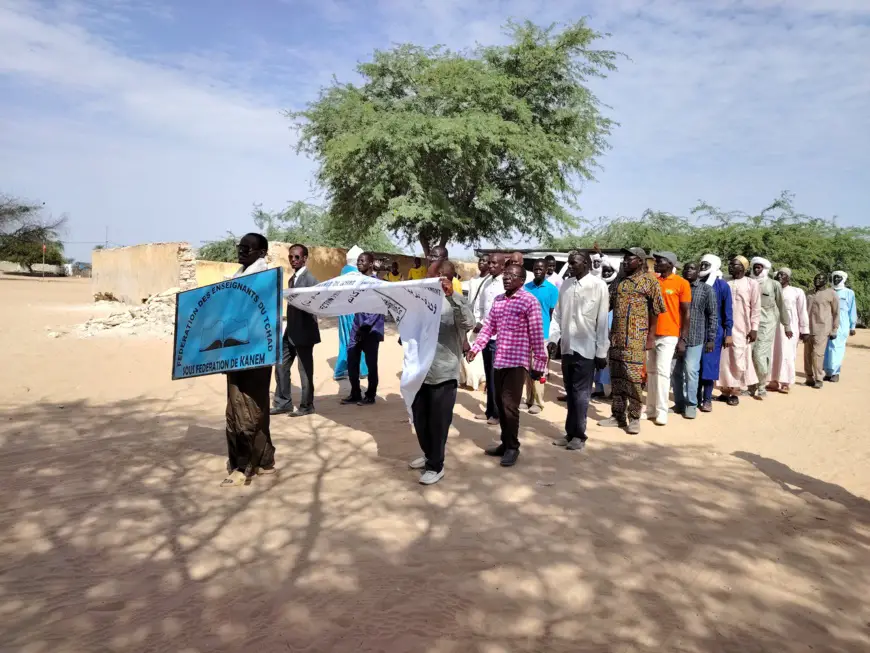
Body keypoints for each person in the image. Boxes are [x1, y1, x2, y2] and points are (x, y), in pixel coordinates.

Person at [468, 263, 547, 466]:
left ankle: (513, 447)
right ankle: (505, 442)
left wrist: (539, 363)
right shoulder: (499, 301)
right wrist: (475, 348)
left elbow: (537, 336)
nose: (506, 278)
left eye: (512, 276)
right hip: (499, 360)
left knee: (510, 406)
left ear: (522, 280)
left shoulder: (530, 302)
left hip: (517, 362)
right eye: (505, 275)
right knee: (500, 405)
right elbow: (488, 328)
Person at [409, 261, 475, 485]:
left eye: (430, 276)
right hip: (420, 372)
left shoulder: (456, 301)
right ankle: (429, 455)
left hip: (443, 372)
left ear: (443, 278)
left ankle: (436, 466)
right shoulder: (421, 302)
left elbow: (469, 322)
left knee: (438, 422)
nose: (425, 279)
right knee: (420, 419)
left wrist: (452, 297)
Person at [222, 233, 276, 487]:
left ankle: (243, 467)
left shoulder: (261, 279)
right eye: (240, 247)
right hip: (237, 351)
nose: (242, 251)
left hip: (252, 352)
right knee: (252, 407)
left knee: (244, 408)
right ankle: (265, 460)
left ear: (262, 253)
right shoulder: (240, 275)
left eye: (248, 248)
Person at [598, 248, 665, 434]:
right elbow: (606, 305)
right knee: (617, 377)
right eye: (625, 259)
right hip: (617, 337)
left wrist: (651, 336)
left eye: (630, 259)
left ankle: (634, 417)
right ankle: (617, 415)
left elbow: (656, 310)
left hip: (636, 338)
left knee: (634, 379)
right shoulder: (619, 281)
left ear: (640, 261)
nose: (625, 262)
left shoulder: (649, 281)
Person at [547, 251, 609, 451]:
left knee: (581, 393)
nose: (570, 266)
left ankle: (579, 435)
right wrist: (553, 339)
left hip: (587, 348)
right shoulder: (566, 285)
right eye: (569, 263)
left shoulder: (598, 286)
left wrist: (601, 352)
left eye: (574, 263)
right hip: (567, 348)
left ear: (586, 264)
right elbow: (557, 315)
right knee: (570, 392)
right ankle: (569, 432)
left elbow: (601, 322)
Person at [272, 244, 320, 418]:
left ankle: (307, 406)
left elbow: (316, 304)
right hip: (290, 330)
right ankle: (283, 402)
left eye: (297, 257)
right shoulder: (292, 280)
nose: (293, 260)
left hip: (305, 332)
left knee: (305, 371)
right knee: (280, 365)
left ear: (305, 258)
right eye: (291, 257)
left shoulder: (311, 281)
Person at [644, 251, 690, 426]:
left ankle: (662, 411)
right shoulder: (652, 280)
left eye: (660, 260)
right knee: (651, 372)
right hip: (650, 334)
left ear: (670, 264)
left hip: (669, 334)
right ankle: (650, 409)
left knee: (663, 372)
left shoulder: (681, 283)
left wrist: (683, 339)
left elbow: (686, 313)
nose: (656, 263)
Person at [672, 262, 716, 419]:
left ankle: (691, 404)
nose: (688, 271)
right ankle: (679, 403)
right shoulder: (678, 287)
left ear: (698, 272)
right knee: (675, 372)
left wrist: (711, 338)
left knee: (691, 371)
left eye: (692, 268)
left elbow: (712, 315)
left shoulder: (706, 290)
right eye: (686, 268)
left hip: (696, 337)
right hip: (675, 337)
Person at [342, 252, 383, 406]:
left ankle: (370, 395)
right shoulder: (357, 282)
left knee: (371, 363)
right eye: (358, 260)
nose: (359, 263)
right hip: (356, 327)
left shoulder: (376, 284)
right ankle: (355, 393)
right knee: (352, 360)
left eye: (362, 261)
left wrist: (365, 327)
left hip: (371, 330)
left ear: (371, 264)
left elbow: (378, 308)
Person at [718, 256, 760, 405]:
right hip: (724, 326)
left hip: (743, 327)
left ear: (743, 267)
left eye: (734, 265)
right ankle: (724, 390)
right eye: (730, 264)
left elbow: (755, 307)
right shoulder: (725, 282)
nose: (730, 267)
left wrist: (754, 328)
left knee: (738, 358)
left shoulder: (751, 284)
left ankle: (735, 391)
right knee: (724, 359)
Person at [748, 257, 790, 398]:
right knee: (750, 353)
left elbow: (781, 305)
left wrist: (787, 325)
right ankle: (752, 383)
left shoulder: (773, 284)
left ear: (765, 269)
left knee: (759, 354)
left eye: (759, 267)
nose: (756, 269)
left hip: (768, 322)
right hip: (750, 323)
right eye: (755, 267)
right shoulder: (749, 282)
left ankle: (761, 386)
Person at [522, 260, 559, 414]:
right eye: (535, 269)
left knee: (539, 369)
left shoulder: (552, 290)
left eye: (541, 269)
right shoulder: (526, 287)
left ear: (545, 271)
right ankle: (528, 399)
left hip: (541, 335)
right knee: (527, 369)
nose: (538, 271)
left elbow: (552, 314)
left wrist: (551, 337)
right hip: (525, 334)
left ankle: (539, 402)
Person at [472, 252, 505, 424]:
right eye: (489, 263)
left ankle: (497, 413)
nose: (491, 266)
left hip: (498, 337)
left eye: (494, 264)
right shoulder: (486, 283)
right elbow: (479, 306)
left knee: (495, 377)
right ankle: (489, 411)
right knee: (488, 375)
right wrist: (478, 321)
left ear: (502, 266)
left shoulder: (505, 284)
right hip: (486, 336)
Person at [697, 254, 733, 412]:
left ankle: (707, 399)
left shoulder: (722, 286)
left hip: (714, 332)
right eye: (702, 264)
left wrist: (728, 332)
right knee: (695, 366)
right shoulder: (696, 283)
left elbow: (727, 311)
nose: (703, 267)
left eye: (706, 265)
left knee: (709, 366)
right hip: (696, 330)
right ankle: (694, 398)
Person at [768, 268, 809, 393]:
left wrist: (805, 330)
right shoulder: (771, 290)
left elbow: (802, 311)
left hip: (789, 328)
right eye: (779, 274)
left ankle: (785, 382)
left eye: (783, 274)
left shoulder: (796, 292)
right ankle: (773, 381)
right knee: (773, 353)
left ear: (789, 277)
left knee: (787, 354)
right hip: (772, 327)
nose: (780, 276)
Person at [334, 245, 368, 381]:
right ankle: (362, 369)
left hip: (342, 311)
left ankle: (341, 369)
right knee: (358, 339)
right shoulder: (356, 274)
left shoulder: (344, 271)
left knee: (345, 340)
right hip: (354, 312)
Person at [805, 273, 840, 389]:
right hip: (808, 328)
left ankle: (819, 378)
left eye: (820, 278)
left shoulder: (831, 294)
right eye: (816, 278)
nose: (817, 280)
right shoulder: (808, 293)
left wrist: (834, 329)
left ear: (826, 281)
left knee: (817, 354)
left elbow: (836, 313)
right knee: (807, 355)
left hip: (823, 328)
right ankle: (809, 377)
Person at [460, 256, 490, 391]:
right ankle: (469, 379)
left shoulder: (491, 281)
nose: (482, 263)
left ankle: (482, 380)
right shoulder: (473, 280)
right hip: (471, 319)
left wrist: (483, 322)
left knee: (480, 352)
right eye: (481, 260)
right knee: (468, 348)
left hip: (483, 322)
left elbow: (491, 304)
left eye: (486, 261)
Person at [592, 255, 618, 399]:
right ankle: (599, 389)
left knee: (612, 361)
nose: (606, 273)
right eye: (605, 271)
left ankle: (614, 390)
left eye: (609, 271)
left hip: (613, 327)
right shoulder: (598, 284)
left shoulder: (618, 285)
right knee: (598, 359)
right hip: (598, 326)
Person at [824, 271, 857, 382]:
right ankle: (828, 372)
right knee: (827, 347)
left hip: (842, 323)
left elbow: (852, 310)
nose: (836, 279)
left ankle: (836, 372)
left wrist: (852, 326)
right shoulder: (828, 291)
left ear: (843, 279)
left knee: (837, 347)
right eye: (834, 277)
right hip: (827, 321)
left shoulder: (849, 293)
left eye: (839, 278)